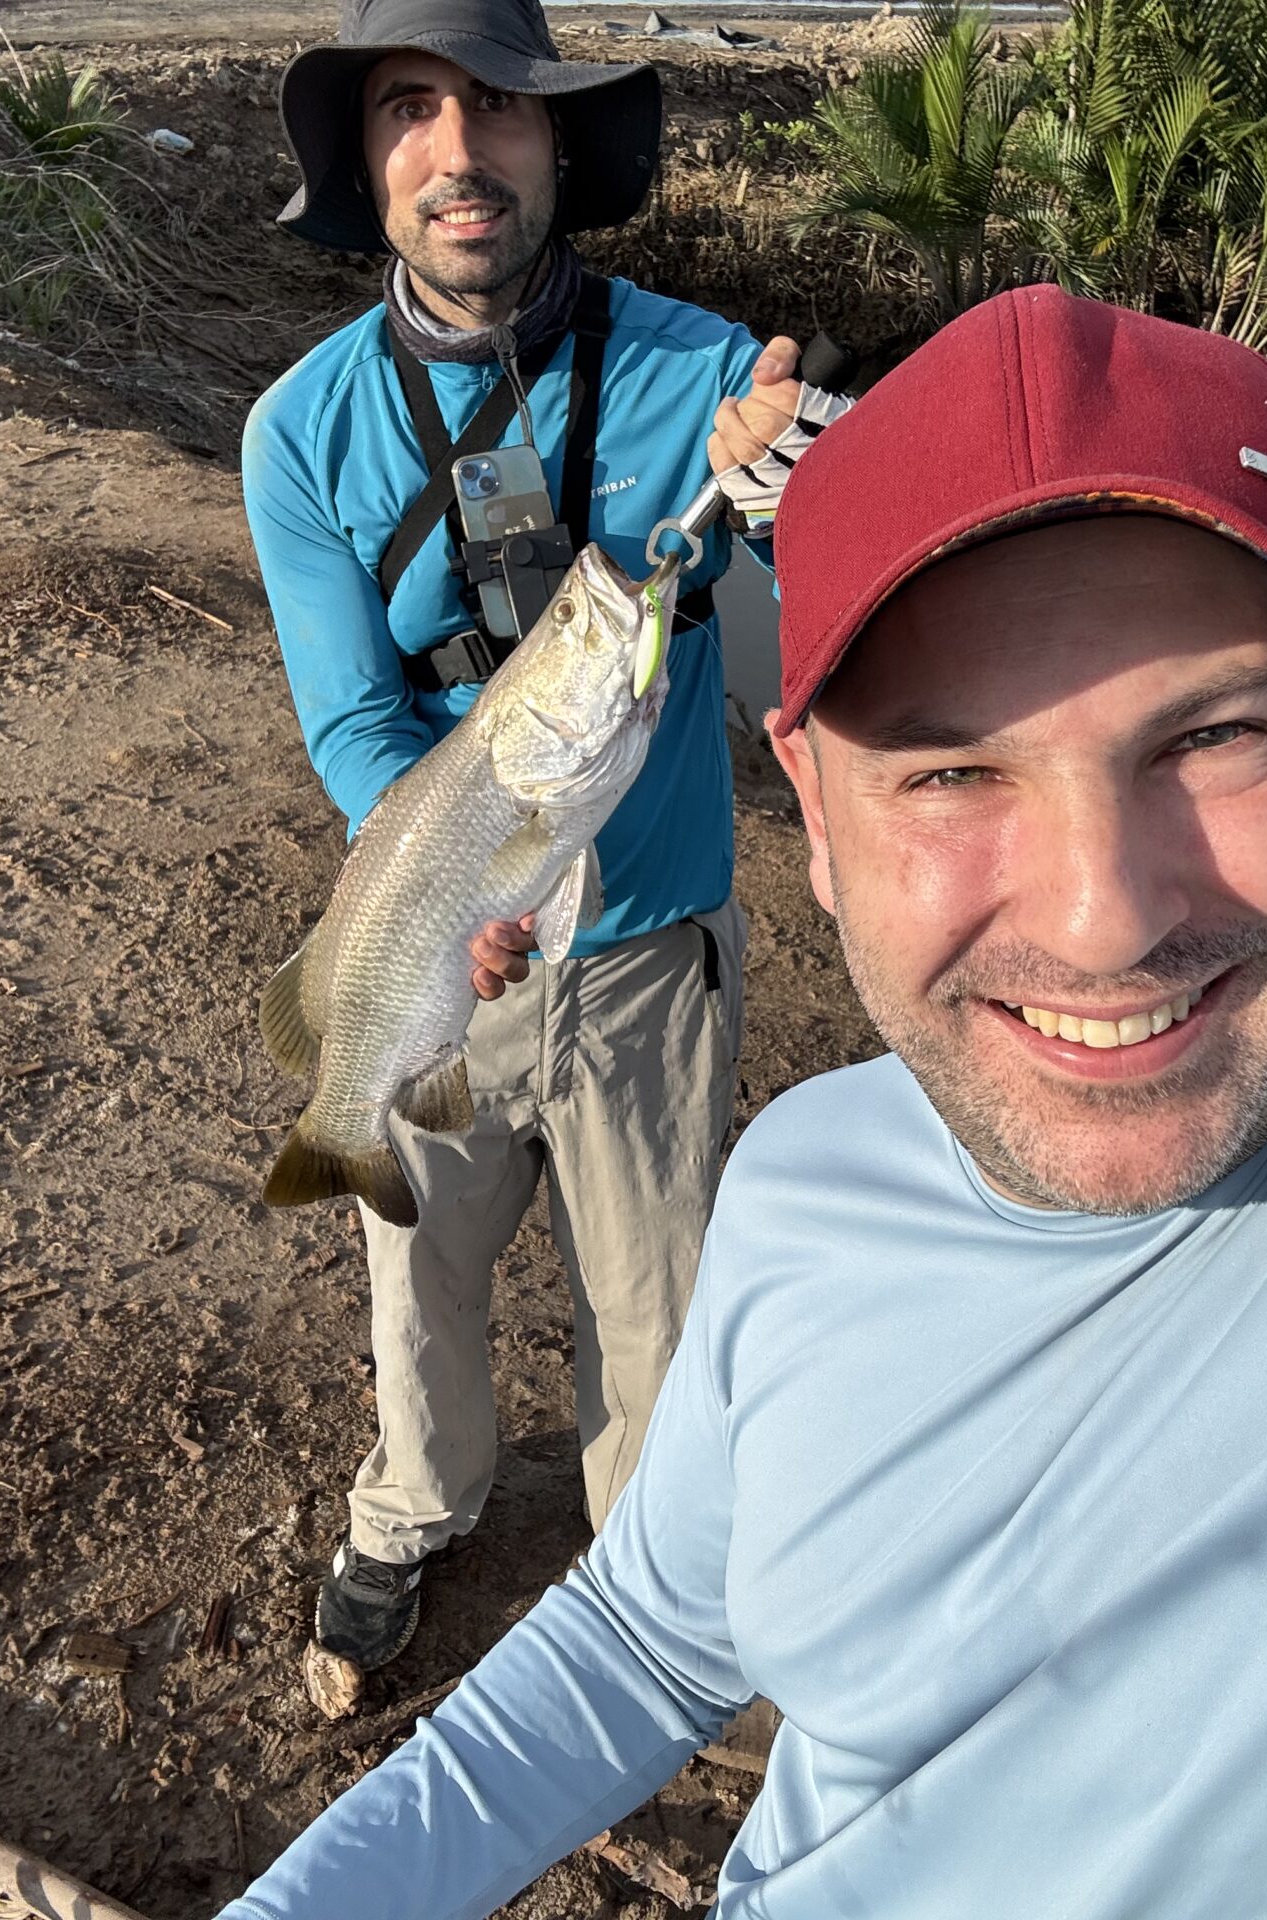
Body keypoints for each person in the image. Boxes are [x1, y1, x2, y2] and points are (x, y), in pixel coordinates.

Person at [216, 283, 1267, 1918]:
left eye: (1212, 737)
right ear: (809, 809)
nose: (1104, 919)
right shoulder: (811, 1177)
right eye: (954, 770)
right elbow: (651, 1640)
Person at [242, 0, 830, 1674]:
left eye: (498, 104)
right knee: (414, 1289)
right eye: (409, 109)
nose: (457, 148)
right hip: (434, 935)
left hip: (652, 946)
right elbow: (359, 727)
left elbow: (829, 561)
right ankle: (412, 1511)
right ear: (367, 165)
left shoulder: (707, 370)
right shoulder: (299, 431)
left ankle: (647, 1574)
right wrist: (448, 891)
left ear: (557, 140)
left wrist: (795, 476)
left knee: (655, 1301)